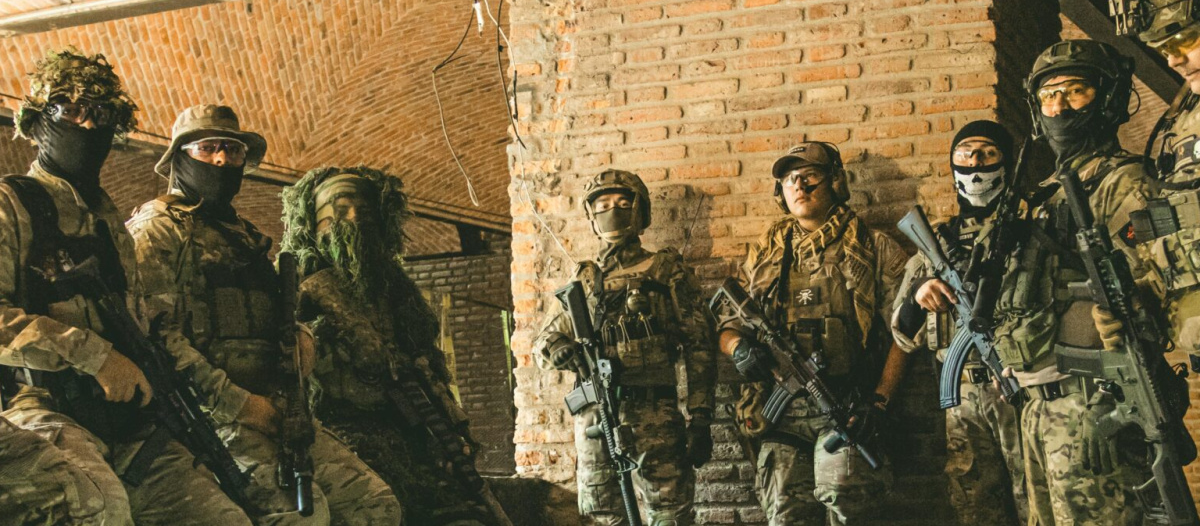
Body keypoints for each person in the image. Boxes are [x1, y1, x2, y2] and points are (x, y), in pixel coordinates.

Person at [0, 48, 249, 526]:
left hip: (127, 418)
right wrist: (95, 355)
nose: (88, 126)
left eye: (101, 115)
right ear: (35, 123)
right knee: (97, 506)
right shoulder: (11, 203)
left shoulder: (108, 219)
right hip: (42, 406)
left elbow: (140, 314)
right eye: (70, 111)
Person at [127, 105, 400, 526]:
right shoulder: (161, 228)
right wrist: (243, 406)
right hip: (211, 416)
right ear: (181, 156)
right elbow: (158, 340)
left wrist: (303, 339)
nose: (221, 159)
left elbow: (276, 317)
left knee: (375, 505)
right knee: (301, 518)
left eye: (232, 151)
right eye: (209, 148)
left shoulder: (244, 236)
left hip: (279, 410)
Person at [279, 166, 504, 526]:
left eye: (363, 212)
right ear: (316, 224)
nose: (353, 220)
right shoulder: (301, 290)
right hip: (339, 433)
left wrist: (450, 430)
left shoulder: (396, 295)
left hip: (408, 424)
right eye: (339, 212)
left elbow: (426, 366)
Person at [992, 40, 1156, 524]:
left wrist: (1128, 313)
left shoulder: (1123, 182)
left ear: (1105, 98)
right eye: (1049, 96)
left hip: (1094, 403)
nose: (1059, 107)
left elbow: (1152, 283)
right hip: (1039, 407)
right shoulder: (1047, 193)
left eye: (1075, 91)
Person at [718, 142, 909, 526]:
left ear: (836, 181)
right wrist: (739, 349)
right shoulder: (764, 254)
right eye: (789, 179)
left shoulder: (873, 247)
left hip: (847, 406)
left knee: (848, 509)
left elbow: (904, 334)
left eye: (810, 176)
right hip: (781, 416)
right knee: (786, 516)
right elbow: (726, 324)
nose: (799, 185)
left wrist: (880, 402)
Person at [532, 169, 717, 526]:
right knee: (603, 514)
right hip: (595, 418)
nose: (611, 211)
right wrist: (558, 350)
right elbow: (543, 339)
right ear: (591, 216)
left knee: (670, 515)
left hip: (654, 414)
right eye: (601, 204)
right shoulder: (583, 281)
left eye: (622, 202)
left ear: (640, 211)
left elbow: (699, 347)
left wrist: (701, 416)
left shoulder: (665, 271)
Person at [891, 120, 1026, 525]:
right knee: (975, 509)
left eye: (987, 153)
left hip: (1023, 387)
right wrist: (920, 294)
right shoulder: (938, 245)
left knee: (1037, 501)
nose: (976, 164)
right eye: (965, 154)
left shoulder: (1030, 230)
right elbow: (900, 331)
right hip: (962, 398)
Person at [1112, 0, 1200, 362]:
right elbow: (1170, 220)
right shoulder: (1180, 121)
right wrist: (1140, 291)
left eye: (1185, 37)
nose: (1175, 59)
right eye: (1164, 48)